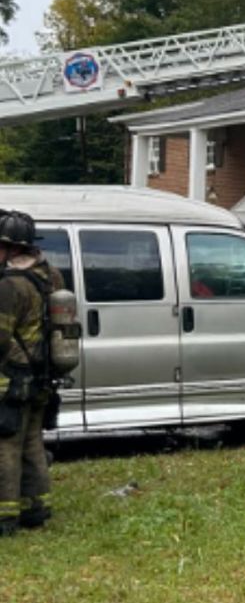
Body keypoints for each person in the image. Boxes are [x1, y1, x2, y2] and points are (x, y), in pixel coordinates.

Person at [0, 210, 65, 536]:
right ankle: (36, 508)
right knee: (32, 443)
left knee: (6, 447)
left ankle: (5, 517)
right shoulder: (50, 274)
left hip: (12, 380)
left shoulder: (10, 286)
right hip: (42, 377)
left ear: (12, 248)